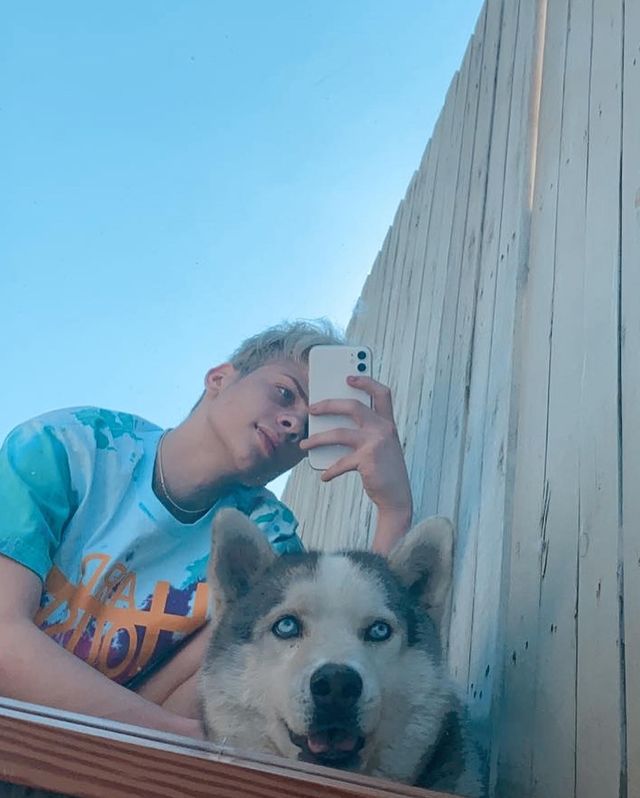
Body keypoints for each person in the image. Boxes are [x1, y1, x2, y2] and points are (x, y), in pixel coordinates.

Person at [0, 320, 413, 738]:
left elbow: (245, 685)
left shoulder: (267, 536)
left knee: (260, 628)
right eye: (285, 394)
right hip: (103, 742)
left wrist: (393, 511)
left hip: (106, 756)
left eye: (307, 430)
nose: (292, 423)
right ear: (219, 378)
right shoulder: (71, 447)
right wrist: (173, 739)